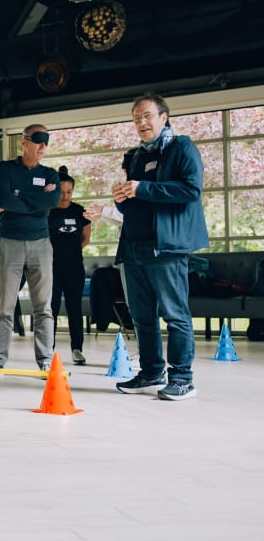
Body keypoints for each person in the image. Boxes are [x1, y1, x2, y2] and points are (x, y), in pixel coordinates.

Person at [113, 93, 208, 401]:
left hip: (166, 247)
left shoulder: (181, 148)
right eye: (136, 118)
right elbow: (136, 203)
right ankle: (151, 372)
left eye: (147, 116)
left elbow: (191, 189)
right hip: (134, 247)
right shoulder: (136, 156)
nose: (141, 122)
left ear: (163, 117)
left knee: (175, 315)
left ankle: (182, 379)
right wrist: (122, 198)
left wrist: (143, 188)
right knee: (142, 316)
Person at [0, 125, 61, 379]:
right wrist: (36, 200)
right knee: (4, 307)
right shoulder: (5, 169)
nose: (43, 147)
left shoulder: (50, 174)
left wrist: (20, 196)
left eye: (46, 142)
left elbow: (51, 202)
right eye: (38, 141)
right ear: (23, 142)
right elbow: (3, 200)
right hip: (11, 243)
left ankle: (46, 361)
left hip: (41, 244)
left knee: (44, 308)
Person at [48, 166, 91, 365]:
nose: (65, 196)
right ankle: (48, 350)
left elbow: (86, 239)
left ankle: (77, 349)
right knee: (51, 309)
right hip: (51, 269)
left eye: (69, 192)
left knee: (75, 309)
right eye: (61, 192)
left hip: (74, 268)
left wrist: (70, 251)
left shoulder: (80, 212)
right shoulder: (46, 211)